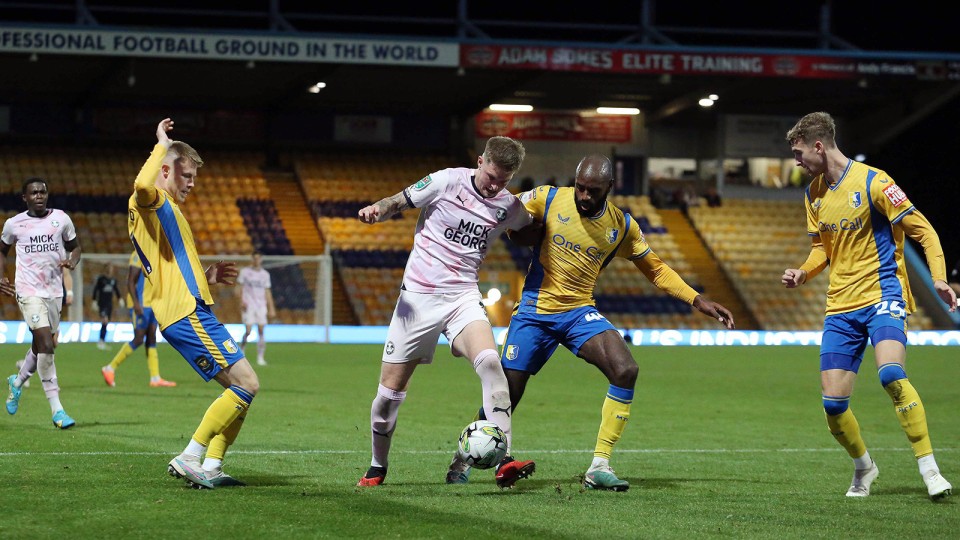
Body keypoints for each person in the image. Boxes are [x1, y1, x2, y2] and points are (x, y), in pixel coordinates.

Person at [446, 154, 736, 491]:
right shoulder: (549, 198)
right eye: (580, 187)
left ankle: (599, 465)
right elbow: (503, 210)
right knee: (505, 393)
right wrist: (514, 232)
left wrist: (697, 299)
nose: (584, 195)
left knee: (625, 368)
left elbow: (655, 268)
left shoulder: (622, 227)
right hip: (534, 313)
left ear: (609, 188)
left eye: (592, 191)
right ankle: (463, 456)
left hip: (578, 312)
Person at [781, 111, 955, 501]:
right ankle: (864, 466)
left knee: (891, 374)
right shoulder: (812, 193)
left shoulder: (876, 182)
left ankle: (930, 470)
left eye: (798, 152)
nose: (796, 160)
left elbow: (922, 230)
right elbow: (818, 249)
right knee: (833, 405)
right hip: (840, 306)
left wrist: (939, 277)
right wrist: (803, 273)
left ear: (819, 146)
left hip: (882, 296)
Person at [356, 136, 536, 488]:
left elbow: (531, 229)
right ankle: (377, 466)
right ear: (480, 160)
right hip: (417, 300)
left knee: (491, 366)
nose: (496, 186)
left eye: (505, 180)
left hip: (462, 297)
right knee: (388, 398)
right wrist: (378, 209)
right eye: (492, 177)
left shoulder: (508, 205)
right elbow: (399, 200)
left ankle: (506, 459)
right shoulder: (447, 180)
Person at [130, 118, 257, 489]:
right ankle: (191, 456)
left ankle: (213, 464)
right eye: (186, 175)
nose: (191, 183)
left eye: (194, 178)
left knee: (239, 388)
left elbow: (173, 264)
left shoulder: (167, 208)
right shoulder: (151, 200)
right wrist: (160, 144)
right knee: (247, 382)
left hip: (188, 308)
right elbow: (141, 184)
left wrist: (208, 277)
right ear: (166, 170)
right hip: (184, 312)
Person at [2, 177, 81, 429]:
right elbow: (1, 250)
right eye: (34, 192)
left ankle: (17, 381)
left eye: (43, 192)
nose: (39, 196)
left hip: (54, 292)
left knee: (40, 345)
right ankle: (57, 410)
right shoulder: (14, 224)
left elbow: (76, 247)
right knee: (47, 343)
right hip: (28, 291)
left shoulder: (61, 219)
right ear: (24, 197)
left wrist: (73, 260)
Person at [100, 251, 177, 388]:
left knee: (152, 337)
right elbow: (130, 281)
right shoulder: (138, 254)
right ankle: (110, 368)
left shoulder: (157, 253)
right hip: (140, 304)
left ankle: (155, 377)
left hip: (152, 303)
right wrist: (136, 303)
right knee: (139, 338)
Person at [237, 251, 276, 366]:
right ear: (252, 259)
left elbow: (267, 291)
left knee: (261, 330)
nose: (256, 260)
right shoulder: (245, 272)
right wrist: (241, 301)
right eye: (255, 258)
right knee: (248, 331)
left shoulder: (265, 275)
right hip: (248, 305)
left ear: (261, 259)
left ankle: (260, 357)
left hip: (261, 305)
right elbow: (239, 287)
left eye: (258, 258)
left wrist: (271, 308)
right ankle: (242, 350)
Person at [91, 264, 122, 350]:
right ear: (106, 269)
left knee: (106, 322)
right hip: (102, 303)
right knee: (105, 321)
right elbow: (95, 289)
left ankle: (102, 341)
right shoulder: (101, 279)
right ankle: (101, 341)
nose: (110, 270)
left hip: (109, 304)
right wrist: (94, 301)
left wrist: (120, 299)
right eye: (109, 268)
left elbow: (116, 290)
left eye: (111, 269)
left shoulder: (113, 280)